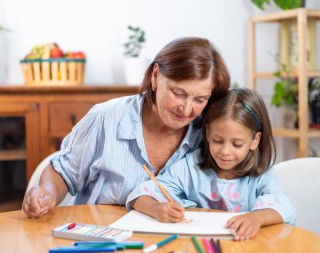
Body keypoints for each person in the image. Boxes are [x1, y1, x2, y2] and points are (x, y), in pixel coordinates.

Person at [22, 37, 230, 218]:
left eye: (200, 99)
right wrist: (47, 194)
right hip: (104, 240)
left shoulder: (209, 133)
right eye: (178, 93)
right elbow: (62, 172)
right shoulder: (106, 118)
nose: (186, 109)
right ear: (156, 77)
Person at [126, 88, 296, 241]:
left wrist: (257, 218)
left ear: (254, 141)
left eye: (237, 144)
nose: (225, 152)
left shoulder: (262, 174)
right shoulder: (190, 167)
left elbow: (284, 207)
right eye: (217, 140)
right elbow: (139, 195)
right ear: (207, 133)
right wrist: (157, 209)